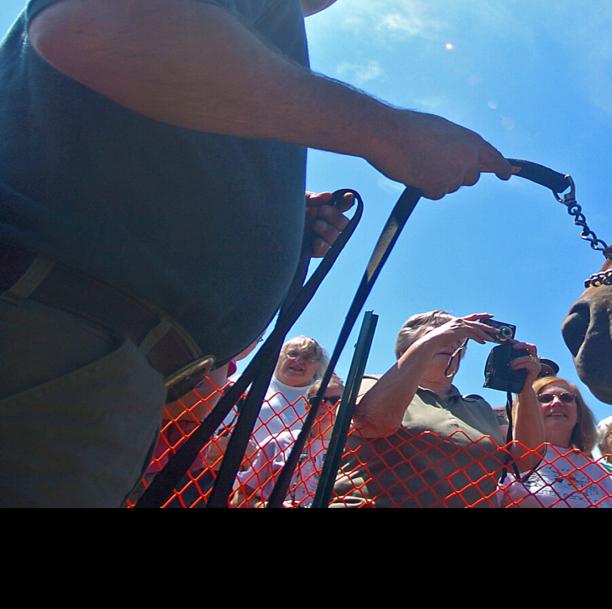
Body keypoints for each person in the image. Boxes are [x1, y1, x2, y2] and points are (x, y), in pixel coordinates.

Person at [0, 0, 513, 507]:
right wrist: (388, 131)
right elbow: (97, 26)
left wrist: (271, 214)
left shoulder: (264, 21)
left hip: (91, 351)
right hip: (51, 329)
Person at [346, 310, 544, 507]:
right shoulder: (372, 384)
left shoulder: (479, 408)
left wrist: (524, 387)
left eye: (458, 339)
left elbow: (524, 461)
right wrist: (434, 341)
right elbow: (373, 422)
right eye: (439, 333)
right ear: (405, 348)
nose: (451, 341)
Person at [497, 375, 612, 509]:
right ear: (529, 410)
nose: (556, 402)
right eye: (545, 398)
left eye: (566, 398)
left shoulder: (600, 474)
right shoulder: (508, 458)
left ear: (579, 414)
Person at [234, 373, 343, 507]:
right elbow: (239, 499)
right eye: (319, 400)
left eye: (336, 400)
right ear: (306, 404)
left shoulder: (347, 452)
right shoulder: (278, 443)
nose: (327, 406)